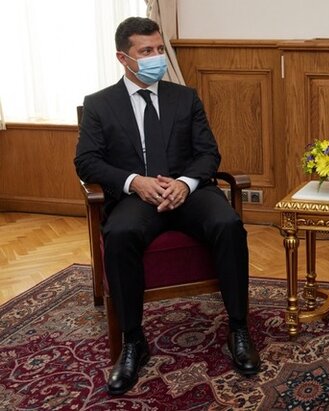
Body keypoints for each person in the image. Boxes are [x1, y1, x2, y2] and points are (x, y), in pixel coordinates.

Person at [75, 17, 260, 395]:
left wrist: (184, 182)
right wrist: (134, 181)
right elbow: (87, 161)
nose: (156, 57)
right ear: (123, 58)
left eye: (160, 49)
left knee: (228, 223)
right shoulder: (100, 105)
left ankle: (239, 329)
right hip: (136, 197)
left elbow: (209, 153)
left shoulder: (185, 97)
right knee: (120, 233)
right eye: (147, 51)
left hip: (188, 193)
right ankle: (132, 341)